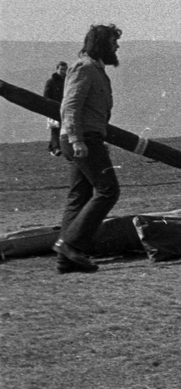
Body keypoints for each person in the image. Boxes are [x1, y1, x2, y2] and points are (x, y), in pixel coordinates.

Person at [55, 24, 124, 274]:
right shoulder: (84, 68)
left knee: (79, 196)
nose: (116, 47)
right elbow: (70, 106)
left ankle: (67, 260)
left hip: (87, 137)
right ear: (101, 44)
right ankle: (70, 245)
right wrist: (77, 140)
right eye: (113, 42)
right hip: (83, 139)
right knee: (108, 191)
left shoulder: (94, 68)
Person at [44, 60, 68, 157]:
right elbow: (46, 96)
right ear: (57, 69)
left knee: (63, 128)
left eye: (65, 69)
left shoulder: (68, 81)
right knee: (55, 128)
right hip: (54, 108)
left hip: (65, 108)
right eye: (61, 69)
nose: (63, 71)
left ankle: (54, 147)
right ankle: (56, 148)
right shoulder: (51, 82)